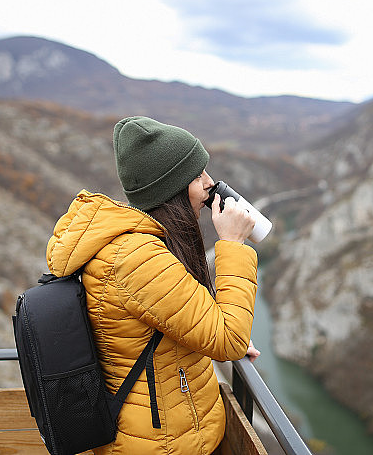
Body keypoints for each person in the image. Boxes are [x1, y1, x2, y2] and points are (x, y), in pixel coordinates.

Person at [46, 116, 260, 455]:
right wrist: (233, 244)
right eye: (196, 176)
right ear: (169, 188)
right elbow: (229, 341)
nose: (209, 183)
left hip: (169, 437)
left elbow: (173, 321)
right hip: (159, 445)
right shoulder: (138, 258)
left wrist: (210, 328)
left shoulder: (144, 246)